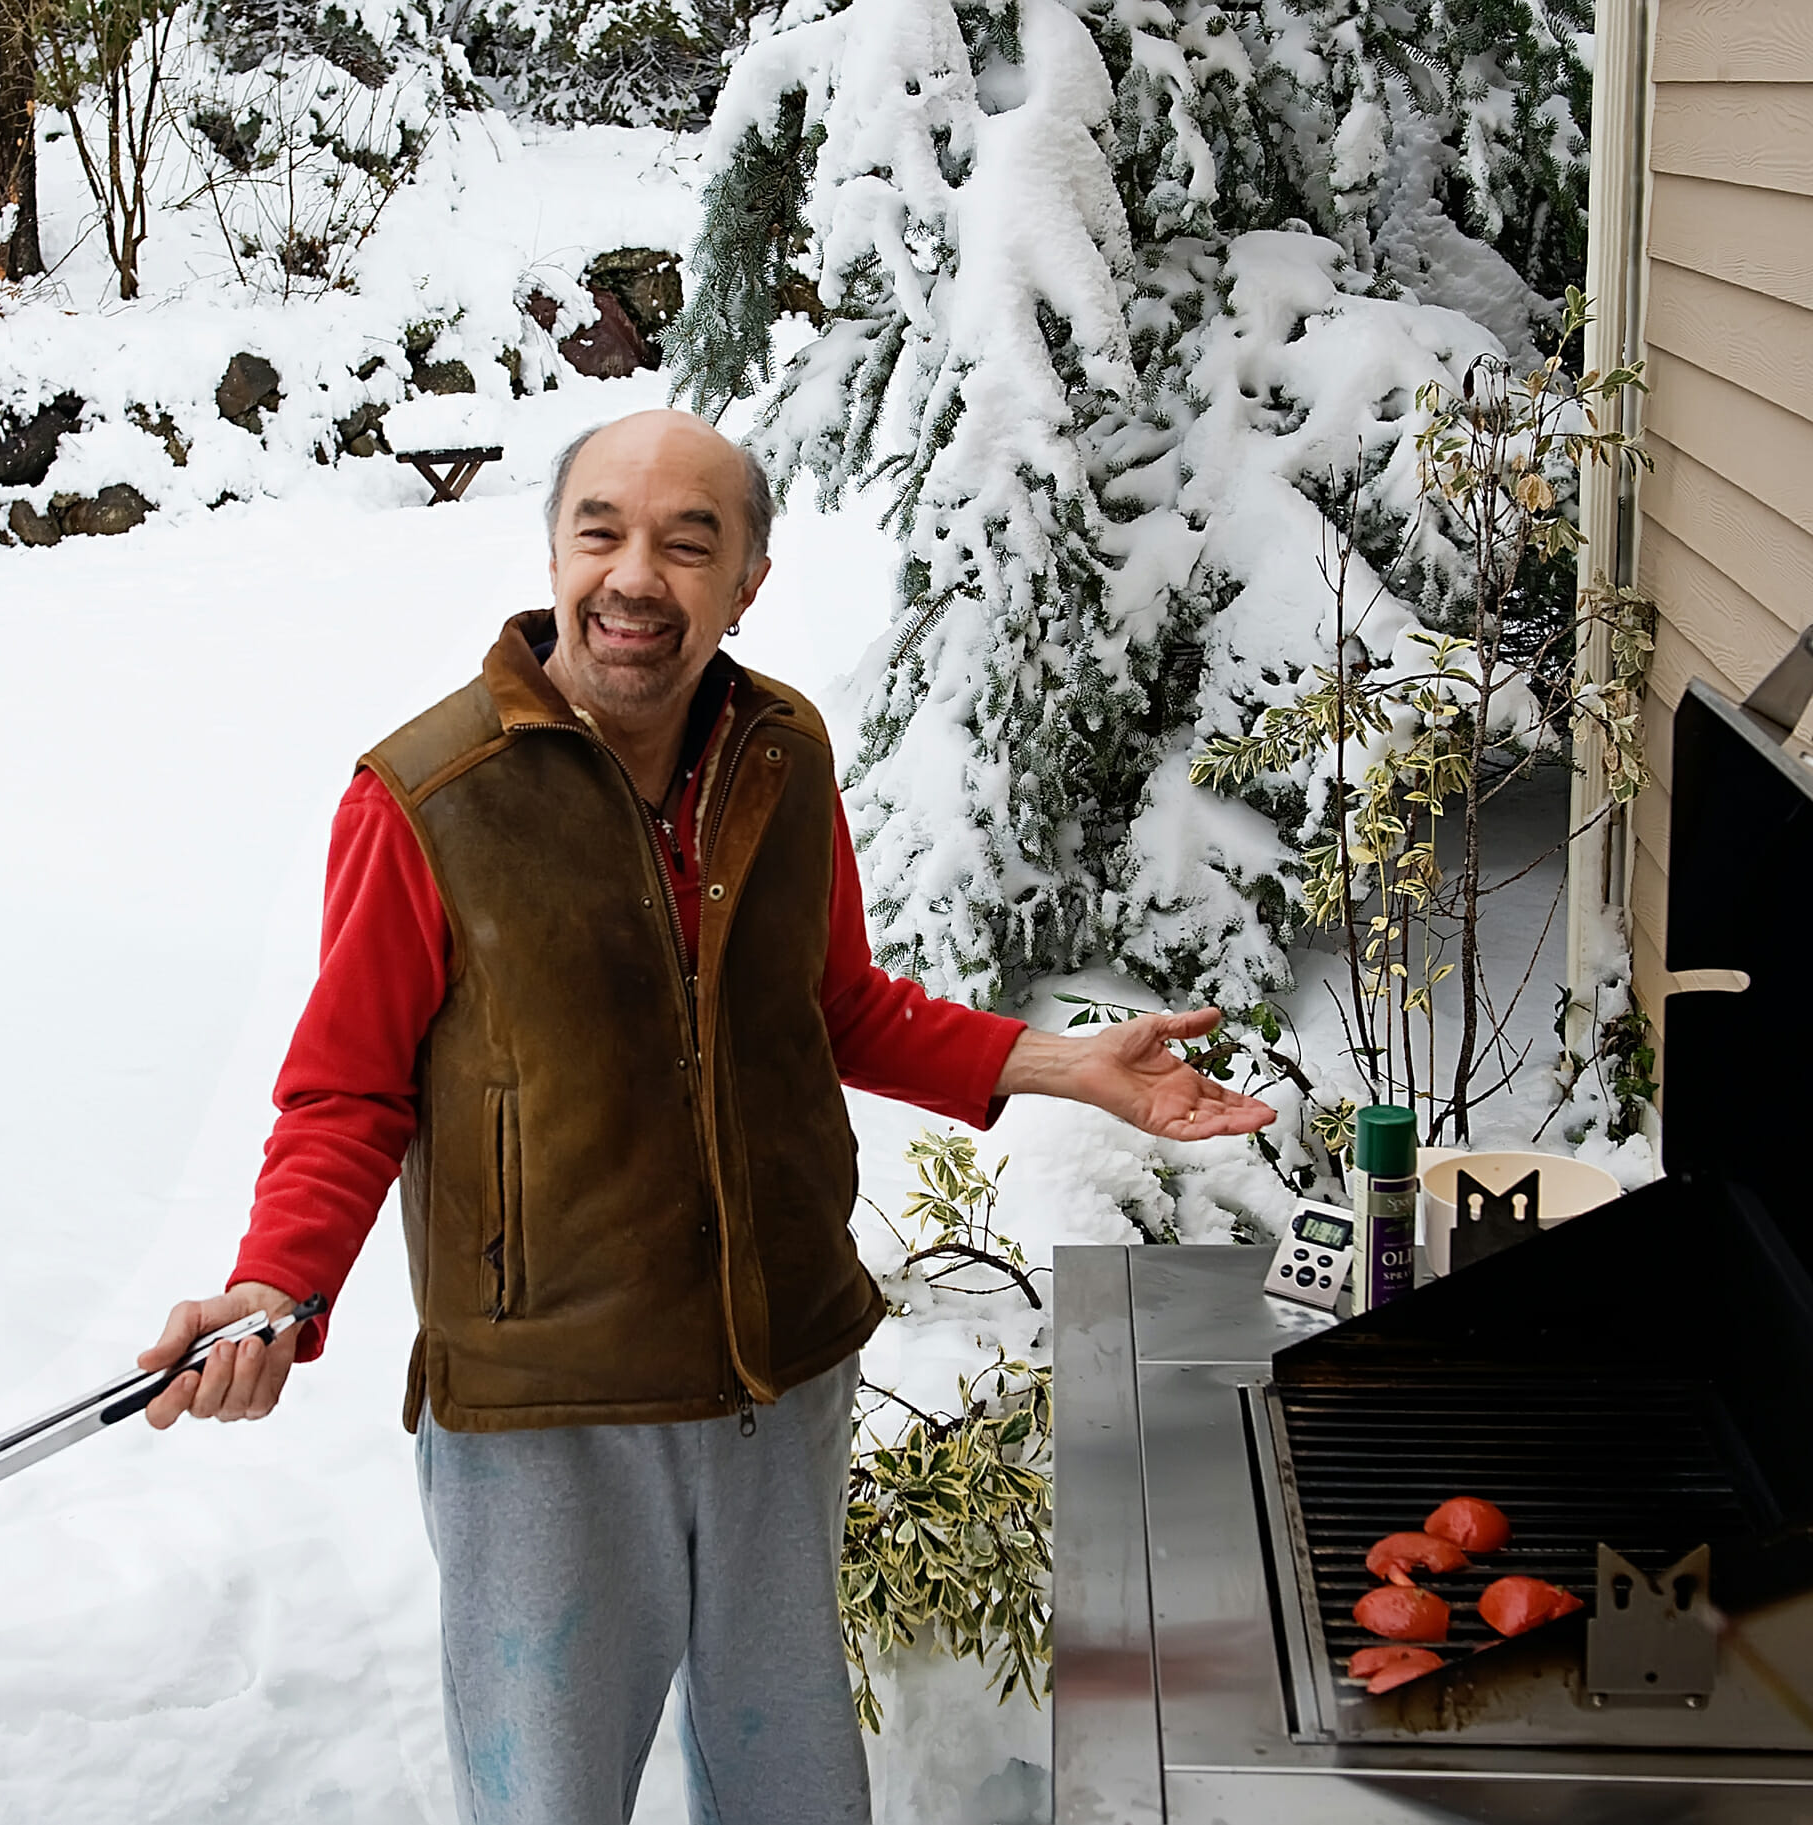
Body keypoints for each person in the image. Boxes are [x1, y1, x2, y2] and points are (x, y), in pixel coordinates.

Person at [140, 408, 1274, 1825]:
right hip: (548, 1418)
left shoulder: (780, 753)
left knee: (792, 1785)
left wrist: (1067, 1064)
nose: (635, 578)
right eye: (601, 531)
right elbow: (347, 1089)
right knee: (546, 1794)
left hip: (777, 1381)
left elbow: (836, 1002)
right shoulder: (426, 799)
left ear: (748, 579)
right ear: (553, 552)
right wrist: (278, 1285)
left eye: (691, 543)